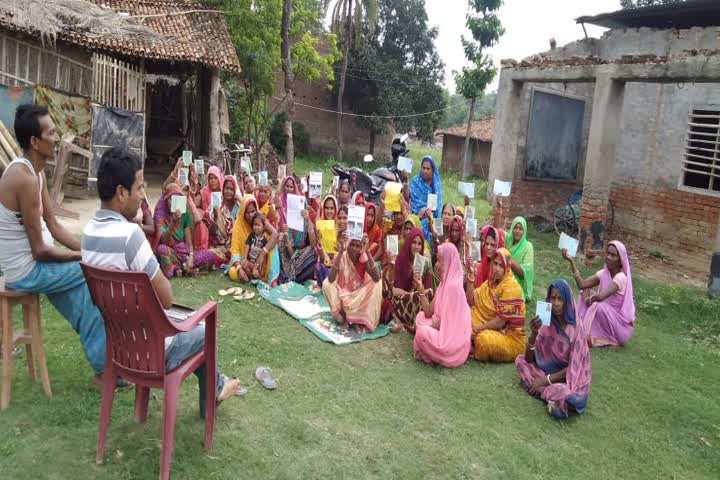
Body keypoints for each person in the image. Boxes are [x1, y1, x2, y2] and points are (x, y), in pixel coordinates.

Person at [82, 146, 242, 416]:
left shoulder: (88, 234)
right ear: (121, 193)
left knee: (190, 325)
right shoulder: (130, 236)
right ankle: (213, 393)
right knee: (204, 329)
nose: (144, 195)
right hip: (153, 352)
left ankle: (216, 387)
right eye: (140, 188)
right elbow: (166, 298)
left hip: (121, 349)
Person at [0, 104, 106, 381]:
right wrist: (82, 258)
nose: (57, 138)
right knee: (92, 274)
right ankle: (105, 369)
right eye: (51, 133)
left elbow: (55, 226)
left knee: (85, 290)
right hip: (25, 272)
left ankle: (105, 369)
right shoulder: (22, 177)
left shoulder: (35, 173)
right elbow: (40, 251)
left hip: (34, 266)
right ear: (35, 142)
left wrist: (85, 250)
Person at [515, 279, 591, 418]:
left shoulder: (575, 330)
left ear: (567, 301)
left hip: (568, 380)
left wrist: (545, 380)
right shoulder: (546, 322)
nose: (555, 303)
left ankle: (541, 390)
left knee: (567, 393)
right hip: (545, 373)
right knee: (520, 361)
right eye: (553, 298)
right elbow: (528, 359)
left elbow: (573, 370)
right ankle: (550, 397)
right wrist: (533, 334)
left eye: (560, 299)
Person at [563, 240, 636, 347]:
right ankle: (580, 326)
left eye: (613, 255)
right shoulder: (604, 273)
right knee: (585, 291)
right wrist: (571, 261)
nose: (609, 257)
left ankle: (585, 333)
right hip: (605, 314)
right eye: (608, 253)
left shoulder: (621, 278)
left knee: (597, 304)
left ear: (620, 261)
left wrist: (589, 300)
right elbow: (582, 284)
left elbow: (600, 297)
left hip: (620, 327)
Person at [413, 243, 471, 368]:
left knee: (422, 332)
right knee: (420, 316)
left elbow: (442, 323)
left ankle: (433, 352)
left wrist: (429, 326)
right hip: (441, 328)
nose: (437, 265)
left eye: (440, 261)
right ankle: (428, 346)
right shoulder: (444, 283)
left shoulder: (453, 288)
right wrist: (420, 288)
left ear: (449, 262)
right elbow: (428, 311)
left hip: (453, 343)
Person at [466, 248, 526, 362]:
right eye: (495, 264)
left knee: (483, 340)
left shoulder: (511, 287)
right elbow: (471, 301)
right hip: (489, 325)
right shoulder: (492, 281)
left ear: (507, 267)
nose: (497, 269)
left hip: (509, 337)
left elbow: (499, 323)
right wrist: (470, 276)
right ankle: (467, 339)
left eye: (501, 265)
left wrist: (477, 329)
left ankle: (472, 346)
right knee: (463, 311)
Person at [153, 184, 217, 278]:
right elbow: (164, 240)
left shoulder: (184, 213)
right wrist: (172, 223)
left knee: (211, 256)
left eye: (176, 199)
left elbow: (188, 242)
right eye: (171, 199)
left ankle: (182, 267)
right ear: (166, 200)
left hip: (183, 252)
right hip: (170, 252)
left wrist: (190, 256)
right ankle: (182, 268)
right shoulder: (161, 215)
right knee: (162, 250)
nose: (173, 203)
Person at [322, 235, 383, 332]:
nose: (354, 248)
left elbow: (376, 278)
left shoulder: (363, 258)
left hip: (357, 297)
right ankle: (346, 317)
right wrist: (341, 251)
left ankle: (355, 319)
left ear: (361, 248)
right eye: (352, 245)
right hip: (341, 297)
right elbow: (330, 279)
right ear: (348, 244)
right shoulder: (341, 255)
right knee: (326, 284)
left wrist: (367, 251)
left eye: (358, 246)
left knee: (378, 284)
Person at [382, 227, 432, 333]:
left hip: (418, 301)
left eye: (419, 244)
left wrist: (417, 285)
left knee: (425, 295)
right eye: (414, 242)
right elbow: (395, 291)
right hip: (401, 303)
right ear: (409, 243)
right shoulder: (401, 259)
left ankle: (410, 323)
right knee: (384, 285)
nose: (416, 247)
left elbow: (427, 290)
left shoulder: (425, 262)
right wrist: (408, 293)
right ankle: (402, 321)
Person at [229, 195, 279, 284]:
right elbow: (235, 250)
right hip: (246, 261)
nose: (251, 215)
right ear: (243, 212)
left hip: (262, 262)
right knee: (233, 272)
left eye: (253, 211)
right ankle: (251, 275)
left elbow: (275, 234)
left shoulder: (259, 220)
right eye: (247, 212)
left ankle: (265, 276)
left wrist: (263, 253)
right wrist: (239, 268)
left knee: (272, 245)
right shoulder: (238, 225)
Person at [277, 204, 317, 285]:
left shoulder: (306, 224)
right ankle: (285, 276)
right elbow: (291, 253)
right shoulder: (286, 221)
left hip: (300, 261)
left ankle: (295, 277)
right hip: (287, 260)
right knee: (280, 237)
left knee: (311, 250)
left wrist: (308, 219)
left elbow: (313, 244)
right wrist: (286, 236)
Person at [207, 175, 241, 266]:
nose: (229, 192)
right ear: (223, 189)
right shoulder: (217, 206)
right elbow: (211, 233)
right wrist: (216, 217)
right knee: (208, 255)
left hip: (235, 246)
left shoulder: (239, 207)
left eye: (231, 189)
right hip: (219, 247)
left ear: (235, 191)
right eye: (226, 188)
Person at [408, 156, 442, 239]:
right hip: (414, 215)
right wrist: (417, 216)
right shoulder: (415, 181)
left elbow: (436, 210)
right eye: (423, 168)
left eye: (428, 169)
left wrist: (429, 214)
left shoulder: (435, 185)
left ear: (432, 170)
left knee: (427, 225)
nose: (425, 171)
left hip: (429, 219)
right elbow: (407, 198)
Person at [505, 217, 534, 301]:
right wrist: (499, 211)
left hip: (516, 282)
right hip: (502, 276)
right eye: (515, 227)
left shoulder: (527, 247)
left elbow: (523, 274)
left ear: (524, 231)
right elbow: (496, 230)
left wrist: (509, 260)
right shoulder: (508, 239)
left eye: (520, 229)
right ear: (512, 229)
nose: (517, 231)